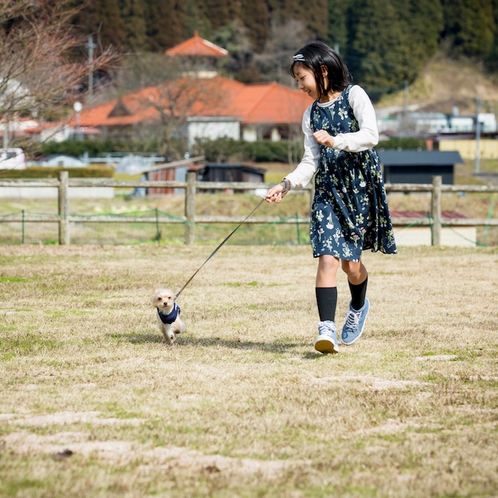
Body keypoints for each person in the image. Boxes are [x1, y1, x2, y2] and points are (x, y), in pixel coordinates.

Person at [266, 41, 397, 354]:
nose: (300, 86)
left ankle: (358, 305)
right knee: (327, 257)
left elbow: (371, 136)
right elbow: (310, 162)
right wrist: (285, 183)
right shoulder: (309, 115)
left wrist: (337, 141)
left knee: (351, 266)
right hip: (327, 191)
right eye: (297, 80)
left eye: (302, 78)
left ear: (322, 71)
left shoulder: (355, 95)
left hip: (359, 189)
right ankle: (326, 330)